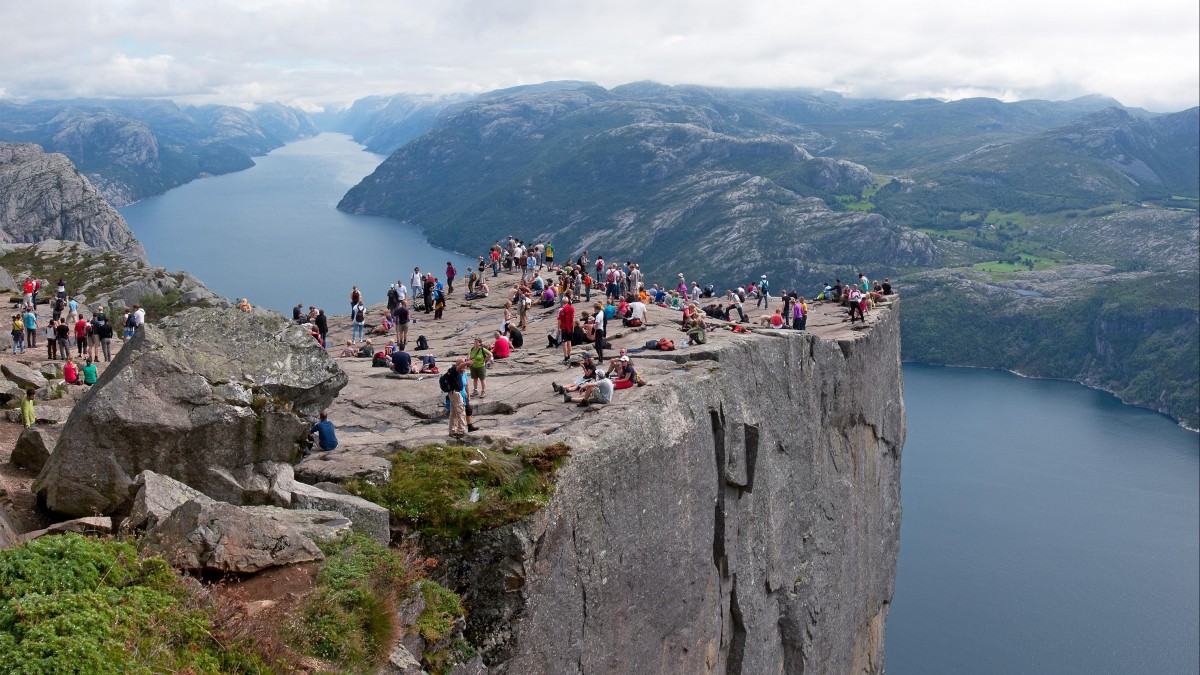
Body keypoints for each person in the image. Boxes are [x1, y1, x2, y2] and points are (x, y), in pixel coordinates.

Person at [445, 358, 470, 439]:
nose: (464, 365)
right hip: (455, 394)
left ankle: (452, 431)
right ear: (458, 363)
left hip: (453, 393)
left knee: (453, 413)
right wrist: (467, 362)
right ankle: (461, 431)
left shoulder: (457, 371)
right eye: (462, 363)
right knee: (461, 412)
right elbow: (459, 367)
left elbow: (466, 384)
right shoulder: (453, 369)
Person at [557, 299, 575, 364]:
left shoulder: (561, 310)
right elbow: (573, 318)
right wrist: (572, 327)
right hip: (570, 327)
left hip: (564, 328)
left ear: (562, 302)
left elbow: (559, 321)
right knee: (569, 341)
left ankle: (565, 357)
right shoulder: (572, 309)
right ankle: (569, 356)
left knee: (564, 343)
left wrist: (558, 329)